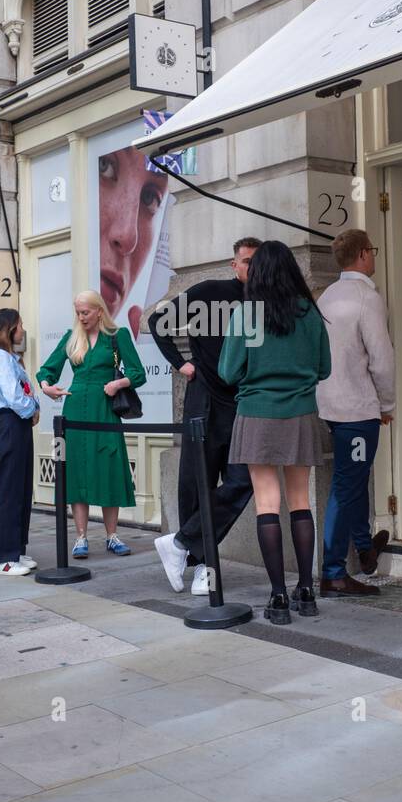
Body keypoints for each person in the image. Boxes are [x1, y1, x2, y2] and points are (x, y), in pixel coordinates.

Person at [219, 240, 331, 625]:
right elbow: (324, 368)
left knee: (267, 503)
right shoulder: (309, 313)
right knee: (300, 503)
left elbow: (228, 371)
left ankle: (278, 597)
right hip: (300, 413)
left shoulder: (247, 316)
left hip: (257, 414)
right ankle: (306, 591)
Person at [150, 236, 260, 595]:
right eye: (246, 261)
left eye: (258, 262)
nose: (252, 268)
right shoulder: (211, 291)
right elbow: (158, 322)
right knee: (196, 484)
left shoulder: (265, 301)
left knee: (242, 481)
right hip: (204, 400)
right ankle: (202, 567)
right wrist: (181, 364)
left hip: (244, 405)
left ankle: (182, 544)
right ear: (234, 264)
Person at [37, 290, 146, 558]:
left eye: (85, 312)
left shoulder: (117, 336)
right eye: (78, 312)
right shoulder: (72, 336)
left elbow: (138, 373)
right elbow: (47, 369)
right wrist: (47, 387)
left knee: (108, 467)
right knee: (77, 470)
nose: (81, 317)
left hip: (105, 409)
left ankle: (112, 536)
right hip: (75, 407)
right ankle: (81, 537)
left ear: (99, 310)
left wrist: (118, 383)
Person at [315, 229, 394, 596]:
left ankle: (364, 549)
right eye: (373, 251)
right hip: (357, 408)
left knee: (354, 477)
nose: (374, 257)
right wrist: (388, 404)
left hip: (330, 405)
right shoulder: (367, 298)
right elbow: (381, 359)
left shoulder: (327, 296)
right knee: (346, 486)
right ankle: (332, 571)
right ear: (364, 254)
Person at [0, 309, 40, 576]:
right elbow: (13, 395)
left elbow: (24, 392)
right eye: (20, 325)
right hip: (10, 422)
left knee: (21, 487)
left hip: (19, 422)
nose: (23, 330)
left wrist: (32, 407)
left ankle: (17, 549)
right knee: (9, 490)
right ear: (9, 329)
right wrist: (32, 409)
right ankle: (4, 557)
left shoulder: (10, 358)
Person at [98, 144, 171, 337]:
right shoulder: (69, 341)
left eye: (149, 198)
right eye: (104, 165)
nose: (128, 237)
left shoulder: (122, 338)